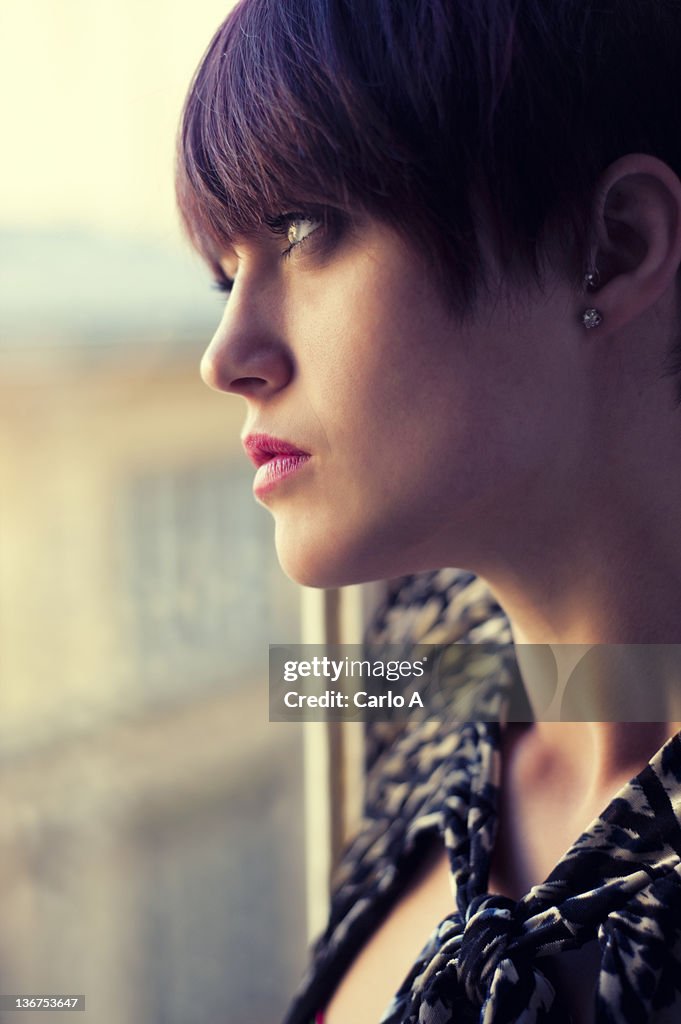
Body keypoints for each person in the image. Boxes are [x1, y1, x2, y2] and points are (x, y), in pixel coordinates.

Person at [175, 0, 681, 1020]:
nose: (225, 359)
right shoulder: (430, 659)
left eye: (306, 227)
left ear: (616, 244)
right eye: (225, 276)